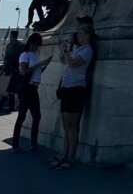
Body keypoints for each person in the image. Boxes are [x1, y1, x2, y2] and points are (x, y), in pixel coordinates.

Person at [49, 19, 96, 170]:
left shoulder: (87, 50)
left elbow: (73, 63)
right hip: (67, 88)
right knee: (66, 124)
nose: (78, 36)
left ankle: (71, 157)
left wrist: (67, 52)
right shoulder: (78, 48)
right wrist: (63, 50)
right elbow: (64, 61)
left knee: (72, 125)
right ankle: (64, 153)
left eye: (80, 33)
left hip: (77, 89)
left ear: (87, 35)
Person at [9, 31, 52, 152]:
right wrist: (40, 63)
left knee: (37, 116)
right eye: (37, 44)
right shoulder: (25, 55)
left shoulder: (36, 55)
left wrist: (45, 65)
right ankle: (15, 145)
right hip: (26, 88)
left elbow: (37, 73)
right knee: (22, 116)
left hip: (34, 87)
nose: (38, 47)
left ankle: (33, 143)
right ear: (32, 44)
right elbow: (23, 71)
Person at [0, 31, 22, 115]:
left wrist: (2, 69)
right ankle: (10, 106)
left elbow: (6, 59)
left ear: (11, 36)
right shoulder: (21, 45)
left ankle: (7, 106)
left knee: (7, 88)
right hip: (18, 70)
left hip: (9, 70)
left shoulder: (10, 46)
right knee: (11, 89)